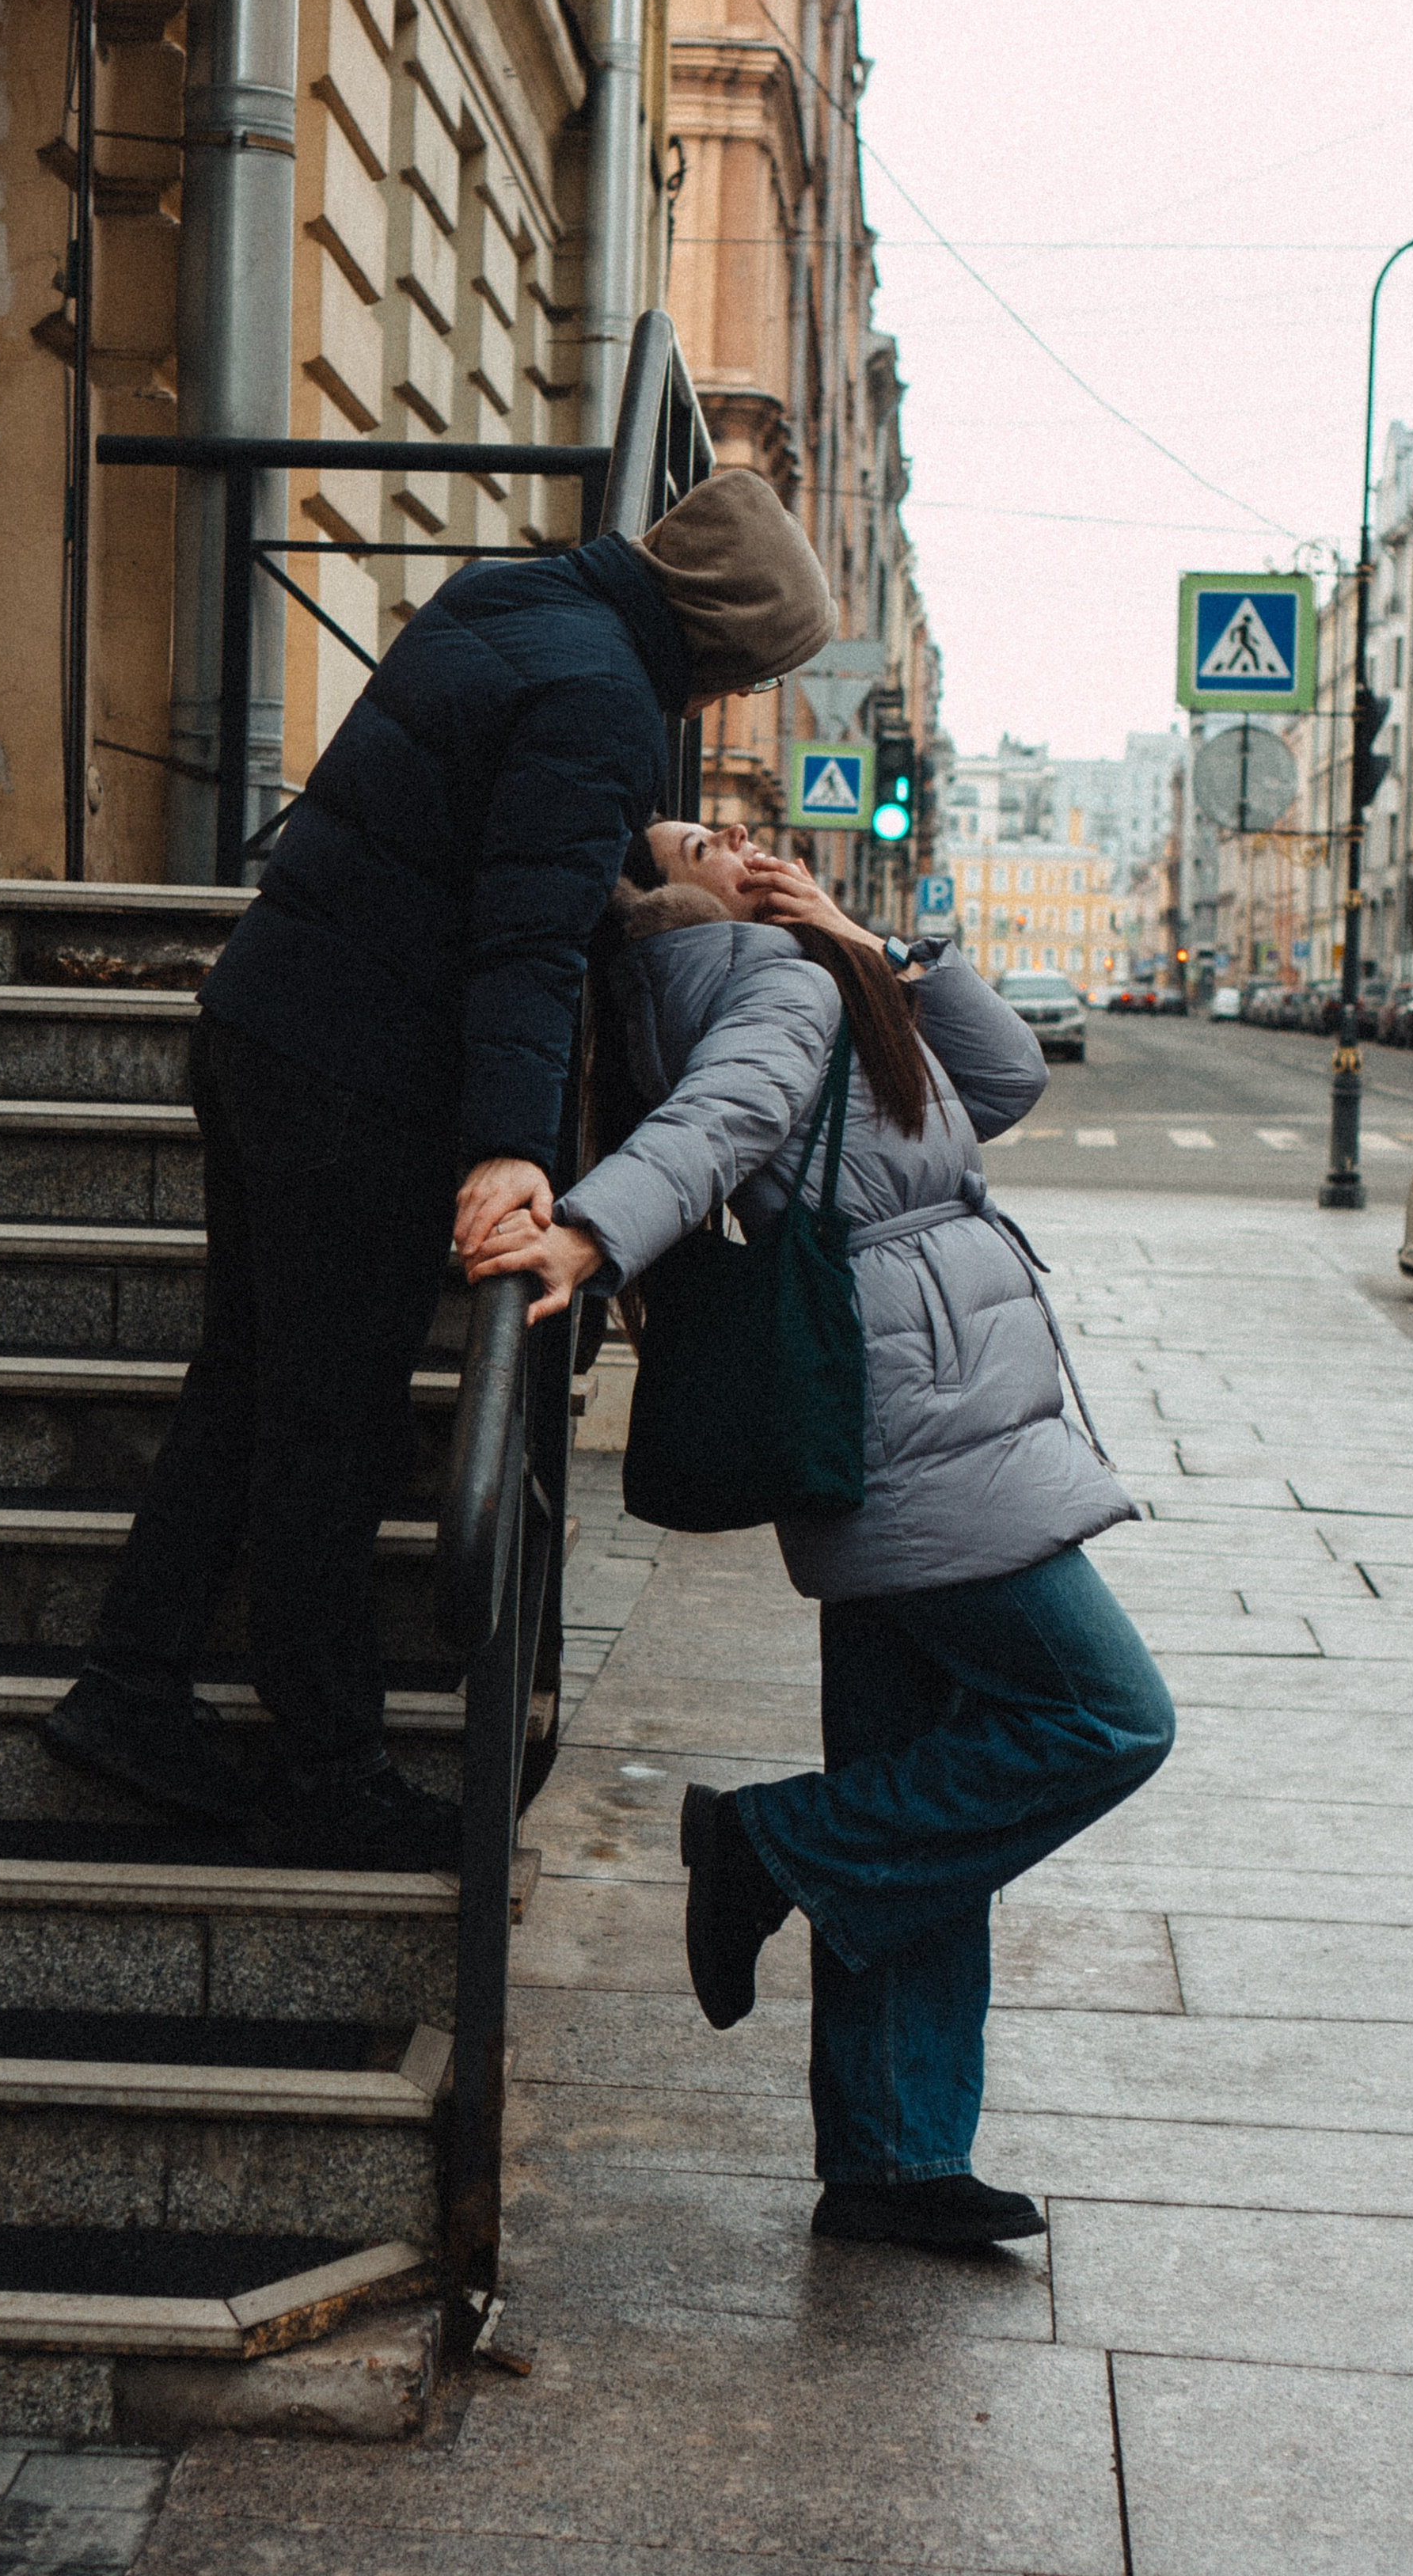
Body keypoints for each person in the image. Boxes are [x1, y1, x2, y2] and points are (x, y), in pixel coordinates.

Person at [44, 476, 834, 1871]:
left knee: (245, 1386)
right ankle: (326, 1769)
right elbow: (523, 942)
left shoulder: (509, 598)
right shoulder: (607, 699)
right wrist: (510, 1148)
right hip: (359, 1078)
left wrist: (630, 847)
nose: (724, 699)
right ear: (718, 636)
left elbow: (473, 822)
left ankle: (131, 1685)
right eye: (747, 672)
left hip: (263, 1022)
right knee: (331, 1430)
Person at [473, 829, 1173, 2251]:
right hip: (929, 1420)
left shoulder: (798, 972)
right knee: (1107, 1718)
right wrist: (591, 1239)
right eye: (706, 838)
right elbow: (721, 1121)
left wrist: (871, 942)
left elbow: (1001, 1082)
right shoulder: (769, 983)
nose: (744, 839)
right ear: (676, 895)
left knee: (916, 1796)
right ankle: (766, 1846)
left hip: (909, 1413)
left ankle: (892, 2156)